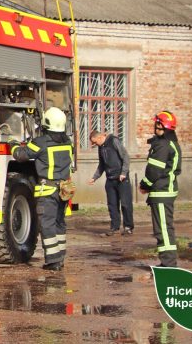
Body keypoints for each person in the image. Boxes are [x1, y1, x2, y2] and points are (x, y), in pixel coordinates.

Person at [10, 107, 73, 271]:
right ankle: (60, 257)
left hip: (48, 191)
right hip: (64, 190)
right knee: (59, 224)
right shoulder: (67, 142)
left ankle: (53, 261)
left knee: (47, 225)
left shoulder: (41, 143)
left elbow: (20, 155)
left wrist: (13, 144)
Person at [139, 111, 181, 268]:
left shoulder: (163, 145)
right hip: (164, 190)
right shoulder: (169, 143)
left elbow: (154, 170)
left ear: (161, 125)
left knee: (163, 228)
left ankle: (169, 263)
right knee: (163, 228)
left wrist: (144, 184)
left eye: (156, 123)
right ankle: (167, 262)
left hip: (162, 191)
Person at [88, 130, 134, 236]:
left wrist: (123, 172)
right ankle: (114, 227)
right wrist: (94, 177)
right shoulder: (101, 147)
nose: (95, 145)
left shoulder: (113, 141)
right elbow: (102, 165)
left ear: (99, 137)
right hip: (110, 179)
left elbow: (125, 156)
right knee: (112, 204)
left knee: (126, 204)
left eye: (95, 142)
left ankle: (128, 227)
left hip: (121, 178)